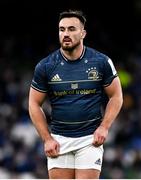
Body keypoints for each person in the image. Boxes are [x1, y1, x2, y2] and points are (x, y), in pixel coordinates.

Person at [28, 9, 123, 179]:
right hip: (59, 140)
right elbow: (34, 104)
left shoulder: (101, 62)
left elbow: (116, 96)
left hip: (90, 139)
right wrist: (46, 138)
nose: (66, 33)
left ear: (83, 33)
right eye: (62, 29)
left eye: (72, 29)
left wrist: (104, 127)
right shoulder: (45, 66)